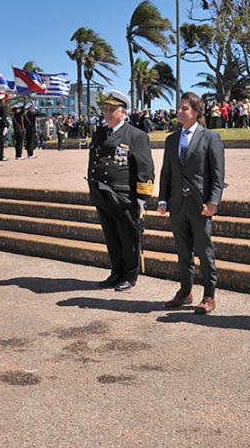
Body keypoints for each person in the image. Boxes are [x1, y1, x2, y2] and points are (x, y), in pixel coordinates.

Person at [157, 92, 225, 313]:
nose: (180, 111)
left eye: (185, 108)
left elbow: (217, 175)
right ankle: (185, 291)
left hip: (200, 205)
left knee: (204, 252)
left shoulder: (210, 138)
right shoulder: (171, 140)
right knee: (183, 252)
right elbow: (166, 173)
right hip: (177, 205)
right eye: (179, 107)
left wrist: (213, 202)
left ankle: (209, 296)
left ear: (196, 112)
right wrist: (163, 199)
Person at [87, 90, 155, 292]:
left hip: (123, 196)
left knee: (128, 237)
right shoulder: (100, 133)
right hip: (102, 195)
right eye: (105, 110)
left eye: (110, 110)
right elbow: (94, 161)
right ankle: (116, 272)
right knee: (111, 237)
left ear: (123, 112)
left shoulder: (136, 135)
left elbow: (145, 169)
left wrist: (142, 199)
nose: (106, 114)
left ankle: (129, 275)